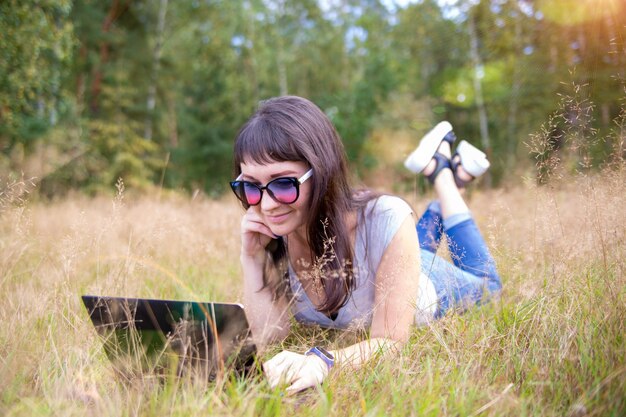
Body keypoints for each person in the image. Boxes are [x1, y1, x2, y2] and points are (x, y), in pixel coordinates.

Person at [229, 96, 502, 393]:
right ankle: (452, 175)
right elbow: (272, 334)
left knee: (490, 284)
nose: (266, 205)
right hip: (393, 254)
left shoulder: (384, 217)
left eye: (283, 183)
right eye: (251, 186)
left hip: (426, 281)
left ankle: (444, 175)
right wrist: (252, 258)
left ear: (321, 171)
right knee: (402, 234)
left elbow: (390, 342)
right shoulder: (276, 230)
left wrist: (322, 361)